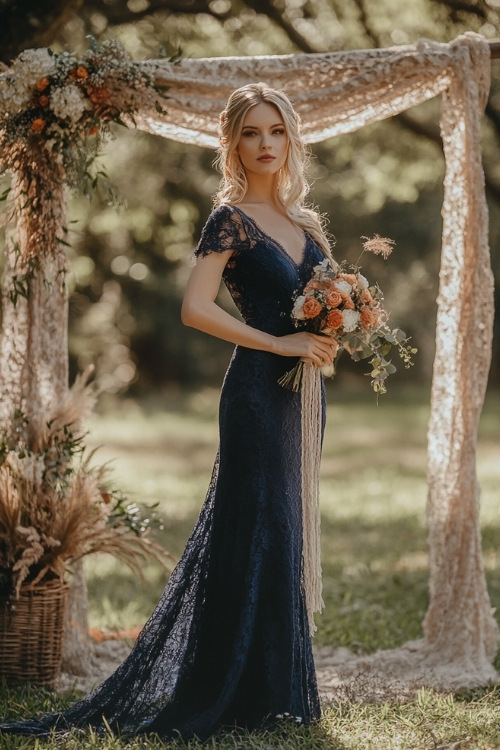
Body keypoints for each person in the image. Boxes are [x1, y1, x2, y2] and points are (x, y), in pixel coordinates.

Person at [0, 82, 337, 742]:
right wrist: (278, 341)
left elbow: (325, 305)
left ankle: (275, 693)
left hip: (307, 397)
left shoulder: (307, 226)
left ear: (291, 138)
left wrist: (340, 325)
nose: (265, 144)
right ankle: (228, 690)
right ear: (233, 143)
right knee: (256, 525)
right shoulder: (229, 220)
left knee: (288, 530)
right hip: (254, 395)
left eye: (275, 131)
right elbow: (196, 309)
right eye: (251, 133)